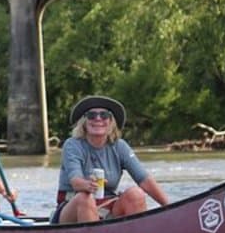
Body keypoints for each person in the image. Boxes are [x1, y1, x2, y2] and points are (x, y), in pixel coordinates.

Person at [53, 95, 169, 223]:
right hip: (72, 207)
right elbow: (75, 181)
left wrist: (168, 207)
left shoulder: (120, 146)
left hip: (107, 207)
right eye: (91, 115)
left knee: (136, 194)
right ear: (84, 122)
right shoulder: (72, 145)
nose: (98, 119)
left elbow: (144, 180)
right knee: (85, 198)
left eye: (104, 115)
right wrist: (88, 185)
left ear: (111, 122)